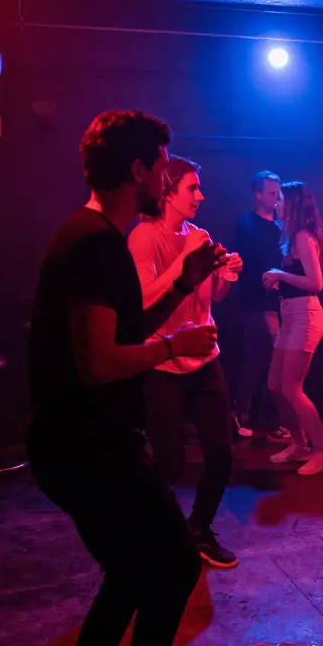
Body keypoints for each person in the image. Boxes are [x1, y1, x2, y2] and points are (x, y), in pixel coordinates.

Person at [27, 110, 227, 646]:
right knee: (173, 567)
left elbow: (121, 328)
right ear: (137, 170)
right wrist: (174, 346)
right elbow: (97, 362)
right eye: (163, 169)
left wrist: (182, 281)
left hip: (80, 442)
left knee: (135, 570)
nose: (167, 181)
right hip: (87, 446)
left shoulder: (91, 236)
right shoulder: (95, 244)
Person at [129, 156, 244, 569]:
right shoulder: (143, 238)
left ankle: (198, 529)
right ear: (167, 191)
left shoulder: (200, 234)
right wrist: (182, 261)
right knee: (171, 464)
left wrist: (226, 274)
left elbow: (211, 296)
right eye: (192, 188)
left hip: (205, 358)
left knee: (222, 454)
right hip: (164, 362)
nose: (201, 195)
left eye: (200, 188)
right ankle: (154, 533)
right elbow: (142, 300)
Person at [261, 181, 323, 476]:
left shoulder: (304, 237)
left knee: (291, 388)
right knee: (275, 386)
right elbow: (300, 278)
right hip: (291, 314)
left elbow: (316, 283)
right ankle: (299, 445)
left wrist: (280, 273)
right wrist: (283, 279)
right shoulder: (292, 238)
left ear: (291, 205)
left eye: (280, 199)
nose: (276, 203)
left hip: (306, 315)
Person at [231, 171, 289, 441]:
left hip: (278, 305)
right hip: (255, 303)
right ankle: (242, 415)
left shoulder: (281, 227)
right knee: (259, 359)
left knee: (271, 362)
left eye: (278, 192)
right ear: (257, 194)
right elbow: (244, 265)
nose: (276, 197)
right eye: (270, 193)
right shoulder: (248, 224)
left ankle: (263, 420)